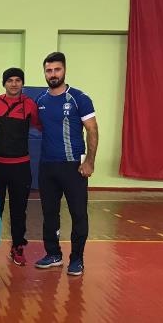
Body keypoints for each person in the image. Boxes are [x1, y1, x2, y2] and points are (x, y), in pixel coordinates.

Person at [34, 52, 98, 276]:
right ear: (44, 73)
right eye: (49, 70)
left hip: (74, 167)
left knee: (78, 213)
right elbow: (42, 129)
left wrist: (89, 161)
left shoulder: (79, 98)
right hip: (47, 167)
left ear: (64, 70)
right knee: (49, 213)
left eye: (56, 70)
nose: (53, 74)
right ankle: (53, 254)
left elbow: (92, 129)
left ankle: (77, 259)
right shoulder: (40, 101)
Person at [0, 68, 39, 266]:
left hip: (20, 166)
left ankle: (17, 245)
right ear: (4, 83)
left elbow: (38, 126)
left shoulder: (30, 105)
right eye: (10, 80)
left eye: (18, 80)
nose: (14, 84)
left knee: (19, 209)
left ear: (22, 83)